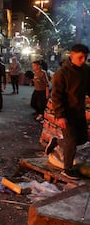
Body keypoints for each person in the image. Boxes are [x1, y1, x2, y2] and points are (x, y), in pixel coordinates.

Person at [45, 44, 90, 180]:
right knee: (71, 142)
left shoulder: (86, 71)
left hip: (79, 111)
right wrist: (60, 116)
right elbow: (56, 96)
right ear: (72, 55)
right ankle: (67, 169)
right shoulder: (62, 73)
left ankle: (57, 142)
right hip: (66, 113)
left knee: (82, 139)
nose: (82, 60)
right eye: (80, 57)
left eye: (85, 58)